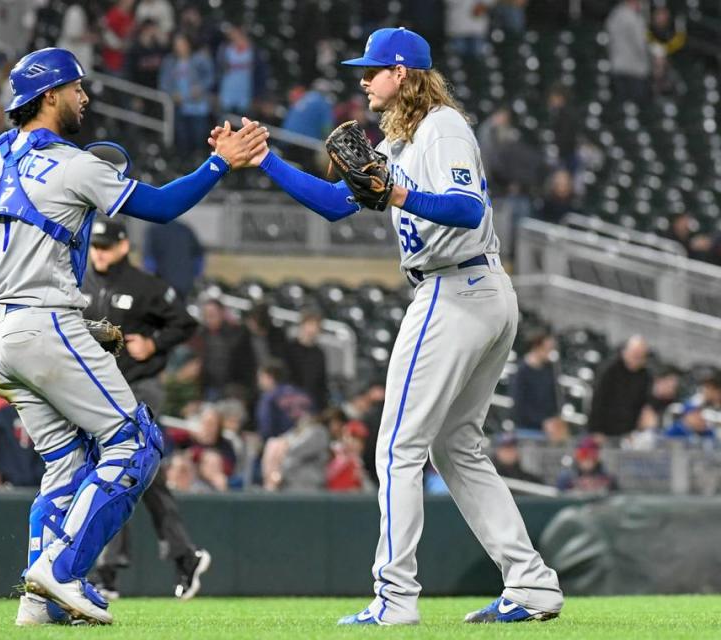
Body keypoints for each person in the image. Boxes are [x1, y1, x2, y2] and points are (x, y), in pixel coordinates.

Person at [210, 27, 563, 625]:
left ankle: (395, 599)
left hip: (456, 288)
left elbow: (466, 208)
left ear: (402, 74)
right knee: (457, 447)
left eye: (373, 70)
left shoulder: (442, 127)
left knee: (398, 447)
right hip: (476, 290)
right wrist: (265, 158)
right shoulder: (401, 142)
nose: (363, 80)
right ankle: (531, 586)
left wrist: (398, 192)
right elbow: (335, 202)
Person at [0, 47, 266, 626]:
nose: (84, 97)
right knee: (136, 442)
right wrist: (219, 163)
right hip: (43, 324)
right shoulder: (72, 164)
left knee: (66, 465)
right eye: (77, 88)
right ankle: (63, 571)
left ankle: (37, 605)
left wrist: (16, 280)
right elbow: (163, 206)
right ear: (49, 97)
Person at [80, 218, 211, 601]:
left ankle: (107, 571)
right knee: (140, 475)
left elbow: (186, 324)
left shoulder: (145, 285)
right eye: (95, 246)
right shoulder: (81, 283)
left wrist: (154, 343)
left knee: (117, 468)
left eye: (106, 245)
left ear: (123, 246)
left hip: (139, 386)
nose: (99, 252)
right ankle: (184, 555)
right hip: (98, 389)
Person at [587, 335, 651, 438]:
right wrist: (596, 431)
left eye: (640, 357)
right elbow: (598, 400)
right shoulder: (609, 370)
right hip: (606, 428)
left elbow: (642, 402)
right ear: (625, 352)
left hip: (628, 431)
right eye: (634, 355)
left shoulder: (644, 375)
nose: (637, 360)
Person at [509, 330, 560, 435]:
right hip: (527, 428)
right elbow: (519, 405)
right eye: (548, 349)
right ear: (537, 347)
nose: (550, 353)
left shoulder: (550, 369)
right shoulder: (522, 371)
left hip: (547, 429)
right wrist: (542, 422)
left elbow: (553, 398)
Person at [605, 0, 650, 104]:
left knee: (621, 103)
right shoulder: (633, 18)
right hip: (635, 69)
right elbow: (640, 44)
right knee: (636, 104)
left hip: (617, 65)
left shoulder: (615, 14)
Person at [664, 371, 721, 445]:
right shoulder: (698, 401)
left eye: (709, 388)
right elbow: (688, 417)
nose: (705, 391)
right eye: (705, 388)